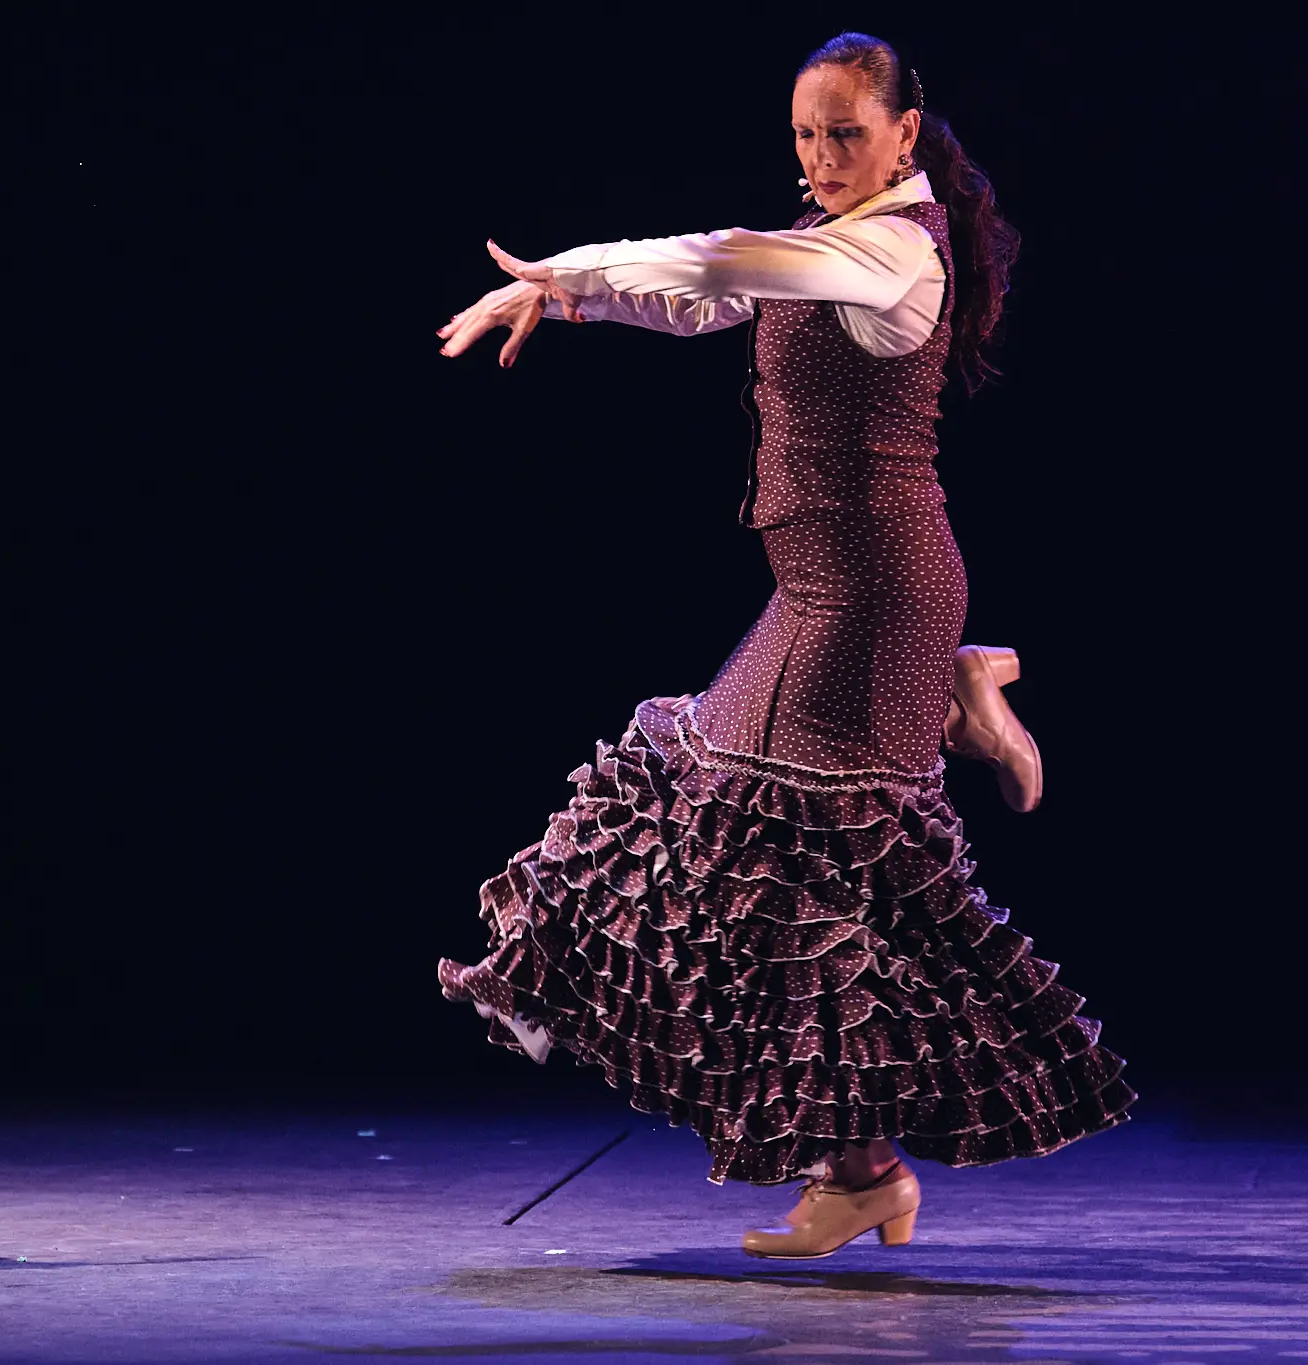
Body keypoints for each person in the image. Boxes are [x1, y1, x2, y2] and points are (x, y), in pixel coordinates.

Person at [434, 33, 1132, 1258]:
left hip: (870, 597)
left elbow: (712, 257)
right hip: (827, 591)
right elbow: (700, 295)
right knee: (776, 867)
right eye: (806, 135)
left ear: (904, 133)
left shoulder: (885, 251)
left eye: (845, 133)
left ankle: (859, 1168)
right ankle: (957, 695)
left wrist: (559, 263)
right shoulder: (828, 248)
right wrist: (560, 294)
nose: (819, 157)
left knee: (772, 868)